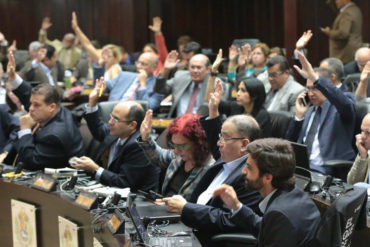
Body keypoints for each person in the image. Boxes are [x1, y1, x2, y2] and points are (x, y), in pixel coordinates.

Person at [158, 112, 262, 244]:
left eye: (225, 138)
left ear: (244, 144)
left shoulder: (251, 176)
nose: (219, 143)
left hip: (205, 238)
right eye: (220, 136)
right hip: (189, 226)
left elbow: (229, 219)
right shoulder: (226, 159)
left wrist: (186, 208)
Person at [212, 138, 321, 247]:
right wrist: (236, 206)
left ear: (268, 177)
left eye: (249, 168)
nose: (243, 171)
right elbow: (265, 229)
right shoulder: (294, 193)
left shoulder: (280, 215)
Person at [70, 78, 160, 190]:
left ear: (132, 125)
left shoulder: (140, 146)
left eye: (116, 119)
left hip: (137, 199)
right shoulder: (117, 131)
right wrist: (93, 102)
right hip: (110, 189)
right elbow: (99, 130)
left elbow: (125, 183)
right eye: (111, 117)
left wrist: (95, 168)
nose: (110, 122)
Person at [6, 52, 85, 170]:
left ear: (51, 107)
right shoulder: (58, 110)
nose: (31, 108)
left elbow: (30, 162)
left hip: (58, 181)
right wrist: (13, 77)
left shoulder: (54, 135)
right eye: (31, 103)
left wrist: (25, 130)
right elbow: (30, 94)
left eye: (36, 105)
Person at [286, 51, 356, 175]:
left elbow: (342, 101)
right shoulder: (309, 110)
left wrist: (316, 79)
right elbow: (289, 143)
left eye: (315, 88)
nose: (311, 93)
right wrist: (299, 117)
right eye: (308, 88)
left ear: (327, 86)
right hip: (302, 169)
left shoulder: (341, 106)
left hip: (327, 171)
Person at [138, 110, 214, 200]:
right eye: (173, 144)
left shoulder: (211, 168)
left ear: (198, 142)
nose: (176, 150)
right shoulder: (177, 155)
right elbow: (159, 157)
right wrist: (145, 138)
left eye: (182, 145)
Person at [205, 49, 271, 137]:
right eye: (238, 90)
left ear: (254, 95)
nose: (238, 94)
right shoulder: (235, 106)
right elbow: (209, 100)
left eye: (243, 90)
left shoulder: (262, 115)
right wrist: (213, 73)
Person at [154, 52, 225, 118]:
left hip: (202, 126)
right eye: (192, 67)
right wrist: (166, 70)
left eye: (199, 68)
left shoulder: (216, 83)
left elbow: (216, 109)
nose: (195, 71)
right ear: (188, 68)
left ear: (208, 69)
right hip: (178, 124)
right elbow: (159, 89)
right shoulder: (180, 76)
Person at [95, 52, 164, 110]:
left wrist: (142, 84)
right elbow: (101, 86)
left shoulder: (159, 85)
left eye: (143, 64)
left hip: (132, 119)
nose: (138, 66)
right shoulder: (124, 76)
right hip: (111, 111)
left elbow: (148, 107)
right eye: (138, 62)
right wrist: (100, 66)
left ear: (154, 67)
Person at [347, 113, 370, 188]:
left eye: (368, 133)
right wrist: (363, 156)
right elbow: (352, 183)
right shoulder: (368, 152)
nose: (362, 136)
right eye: (362, 131)